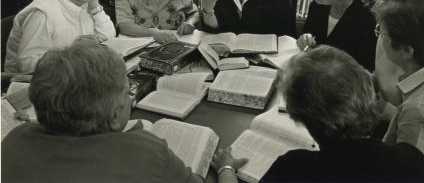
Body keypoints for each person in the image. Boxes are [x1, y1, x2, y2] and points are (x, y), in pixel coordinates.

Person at [1, 40, 247, 183]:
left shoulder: (13, 142)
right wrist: (226, 168)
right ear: (116, 115)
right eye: (127, 92)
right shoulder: (146, 153)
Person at [259, 45, 424, 183]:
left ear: (295, 114)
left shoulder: (291, 169)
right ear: (366, 89)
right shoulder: (411, 161)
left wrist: (229, 168)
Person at [372, 0, 424, 183]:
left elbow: (414, 177)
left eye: (382, 32)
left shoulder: (422, 112)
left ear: (406, 50)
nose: (379, 36)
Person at [296, 0, 377, 71]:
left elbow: (364, 69)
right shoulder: (318, 5)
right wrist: (306, 38)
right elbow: (310, 31)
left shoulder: (369, 21)